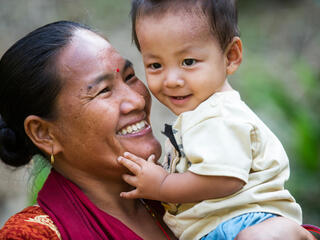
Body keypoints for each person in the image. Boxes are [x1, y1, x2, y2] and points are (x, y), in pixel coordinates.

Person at [0, 21, 314, 240]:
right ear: (44, 134)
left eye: (130, 76)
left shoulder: (186, 193)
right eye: (103, 91)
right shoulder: (35, 234)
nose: (137, 99)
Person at [117, 1, 304, 239]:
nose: (171, 79)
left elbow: (225, 179)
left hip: (246, 221)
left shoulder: (219, 114)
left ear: (230, 56)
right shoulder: (200, 116)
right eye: (155, 65)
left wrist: (162, 185)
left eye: (188, 62)